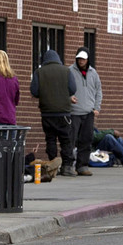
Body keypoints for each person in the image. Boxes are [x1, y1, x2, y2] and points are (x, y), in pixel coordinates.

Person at [30, 48, 77, 176]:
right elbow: (73, 89)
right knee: (65, 140)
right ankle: (67, 167)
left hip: (47, 112)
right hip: (64, 113)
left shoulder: (39, 72)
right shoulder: (66, 71)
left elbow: (34, 91)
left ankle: (52, 165)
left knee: (50, 139)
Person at [69, 49, 102, 177]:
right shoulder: (70, 71)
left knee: (86, 139)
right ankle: (69, 165)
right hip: (74, 112)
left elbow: (98, 91)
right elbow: (65, 88)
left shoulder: (93, 73)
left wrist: (96, 107)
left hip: (89, 112)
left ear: (88, 59)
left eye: (83, 59)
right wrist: (69, 98)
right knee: (71, 139)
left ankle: (82, 165)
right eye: (79, 59)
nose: (81, 61)